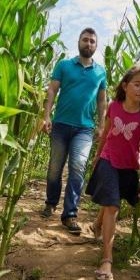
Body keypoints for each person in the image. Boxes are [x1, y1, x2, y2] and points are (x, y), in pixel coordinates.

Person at [86, 65, 140, 280]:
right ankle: (107, 260)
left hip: (128, 166)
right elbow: (106, 134)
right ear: (125, 86)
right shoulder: (114, 106)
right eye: (137, 84)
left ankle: (98, 224)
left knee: (112, 203)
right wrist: (97, 159)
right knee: (113, 206)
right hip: (108, 160)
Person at [41, 28, 107, 235]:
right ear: (78, 42)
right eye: (85, 40)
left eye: (92, 42)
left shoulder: (100, 72)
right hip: (60, 124)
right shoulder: (64, 65)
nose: (88, 44)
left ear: (96, 46)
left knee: (78, 167)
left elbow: (102, 99)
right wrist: (46, 116)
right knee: (54, 168)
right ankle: (51, 202)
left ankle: (70, 214)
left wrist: (102, 124)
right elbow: (52, 89)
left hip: (84, 129)